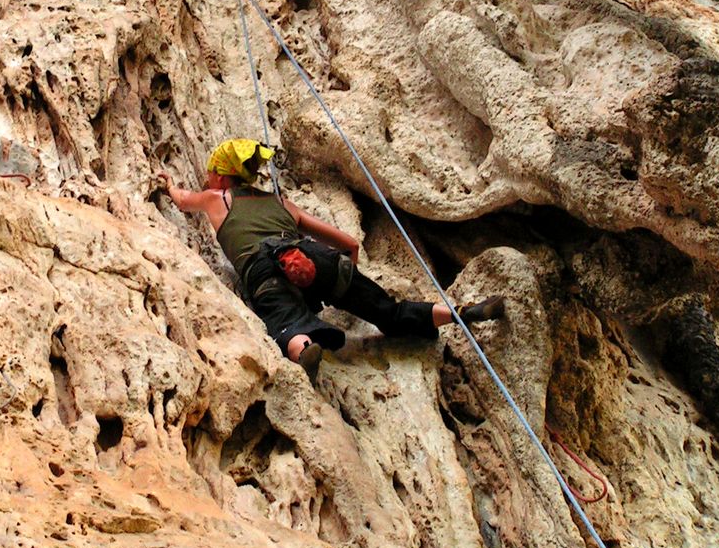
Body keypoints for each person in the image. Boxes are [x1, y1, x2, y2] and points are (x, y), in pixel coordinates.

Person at [158, 138, 505, 383]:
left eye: (210, 174)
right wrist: (339, 283)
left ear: (220, 175)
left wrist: (169, 184)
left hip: (262, 266)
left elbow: (182, 200)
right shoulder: (283, 205)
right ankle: (462, 313)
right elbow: (350, 244)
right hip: (315, 256)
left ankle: (305, 350)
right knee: (391, 312)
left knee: (286, 322)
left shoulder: (217, 198)